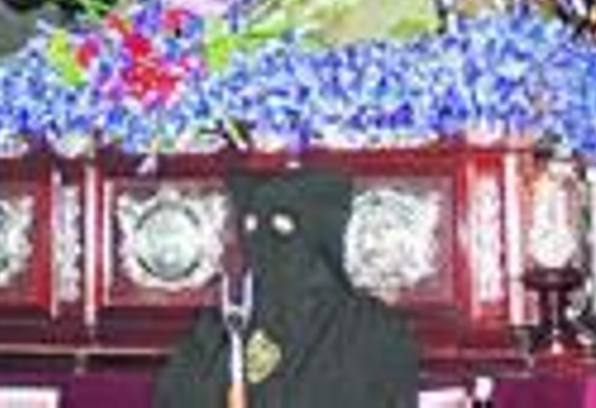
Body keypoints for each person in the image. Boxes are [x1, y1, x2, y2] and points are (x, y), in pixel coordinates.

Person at [153, 168, 418, 406]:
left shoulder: (373, 331)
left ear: (321, 234)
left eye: (282, 231)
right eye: (252, 229)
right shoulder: (226, 326)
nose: (264, 247)